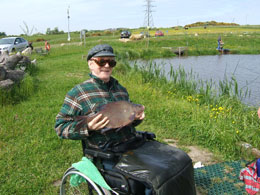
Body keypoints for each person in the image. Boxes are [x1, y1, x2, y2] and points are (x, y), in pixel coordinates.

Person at [55, 44, 195, 195]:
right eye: (102, 61)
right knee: (155, 180)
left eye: (112, 62)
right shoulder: (78, 93)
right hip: (108, 153)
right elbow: (60, 127)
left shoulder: (120, 90)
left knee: (180, 159)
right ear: (90, 63)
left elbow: (125, 122)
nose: (107, 65)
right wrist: (88, 126)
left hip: (133, 144)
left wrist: (135, 119)